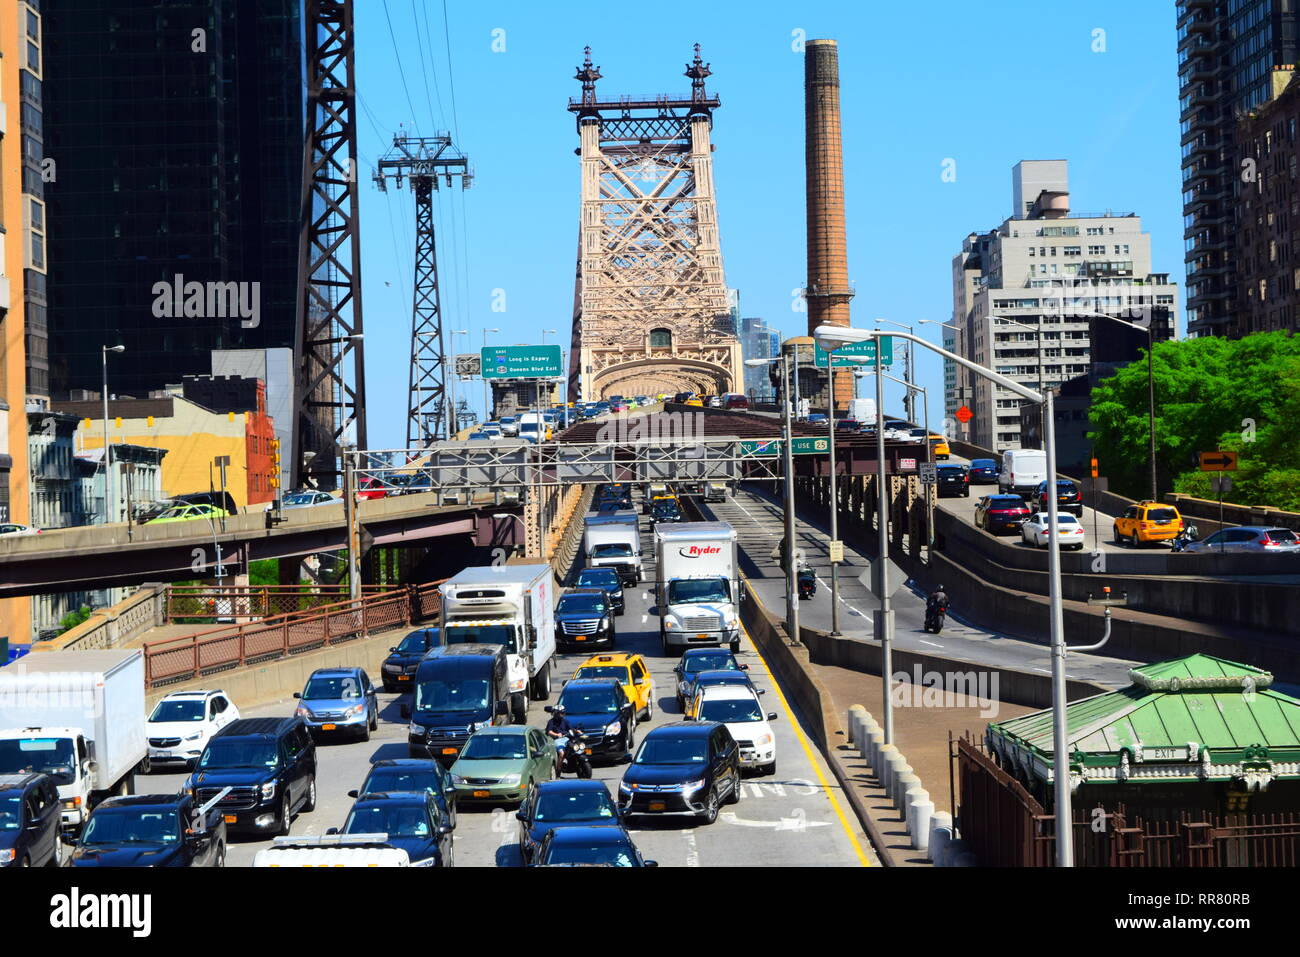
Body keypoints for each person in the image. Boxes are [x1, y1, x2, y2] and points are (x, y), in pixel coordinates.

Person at [544, 705, 577, 776]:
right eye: (560, 713)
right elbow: (549, 731)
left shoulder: (565, 721)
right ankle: (558, 770)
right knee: (561, 753)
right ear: (556, 713)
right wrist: (556, 735)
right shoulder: (551, 722)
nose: (562, 714)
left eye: (563, 713)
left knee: (576, 748)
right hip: (557, 740)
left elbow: (571, 729)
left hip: (566, 739)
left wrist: (577, 731)